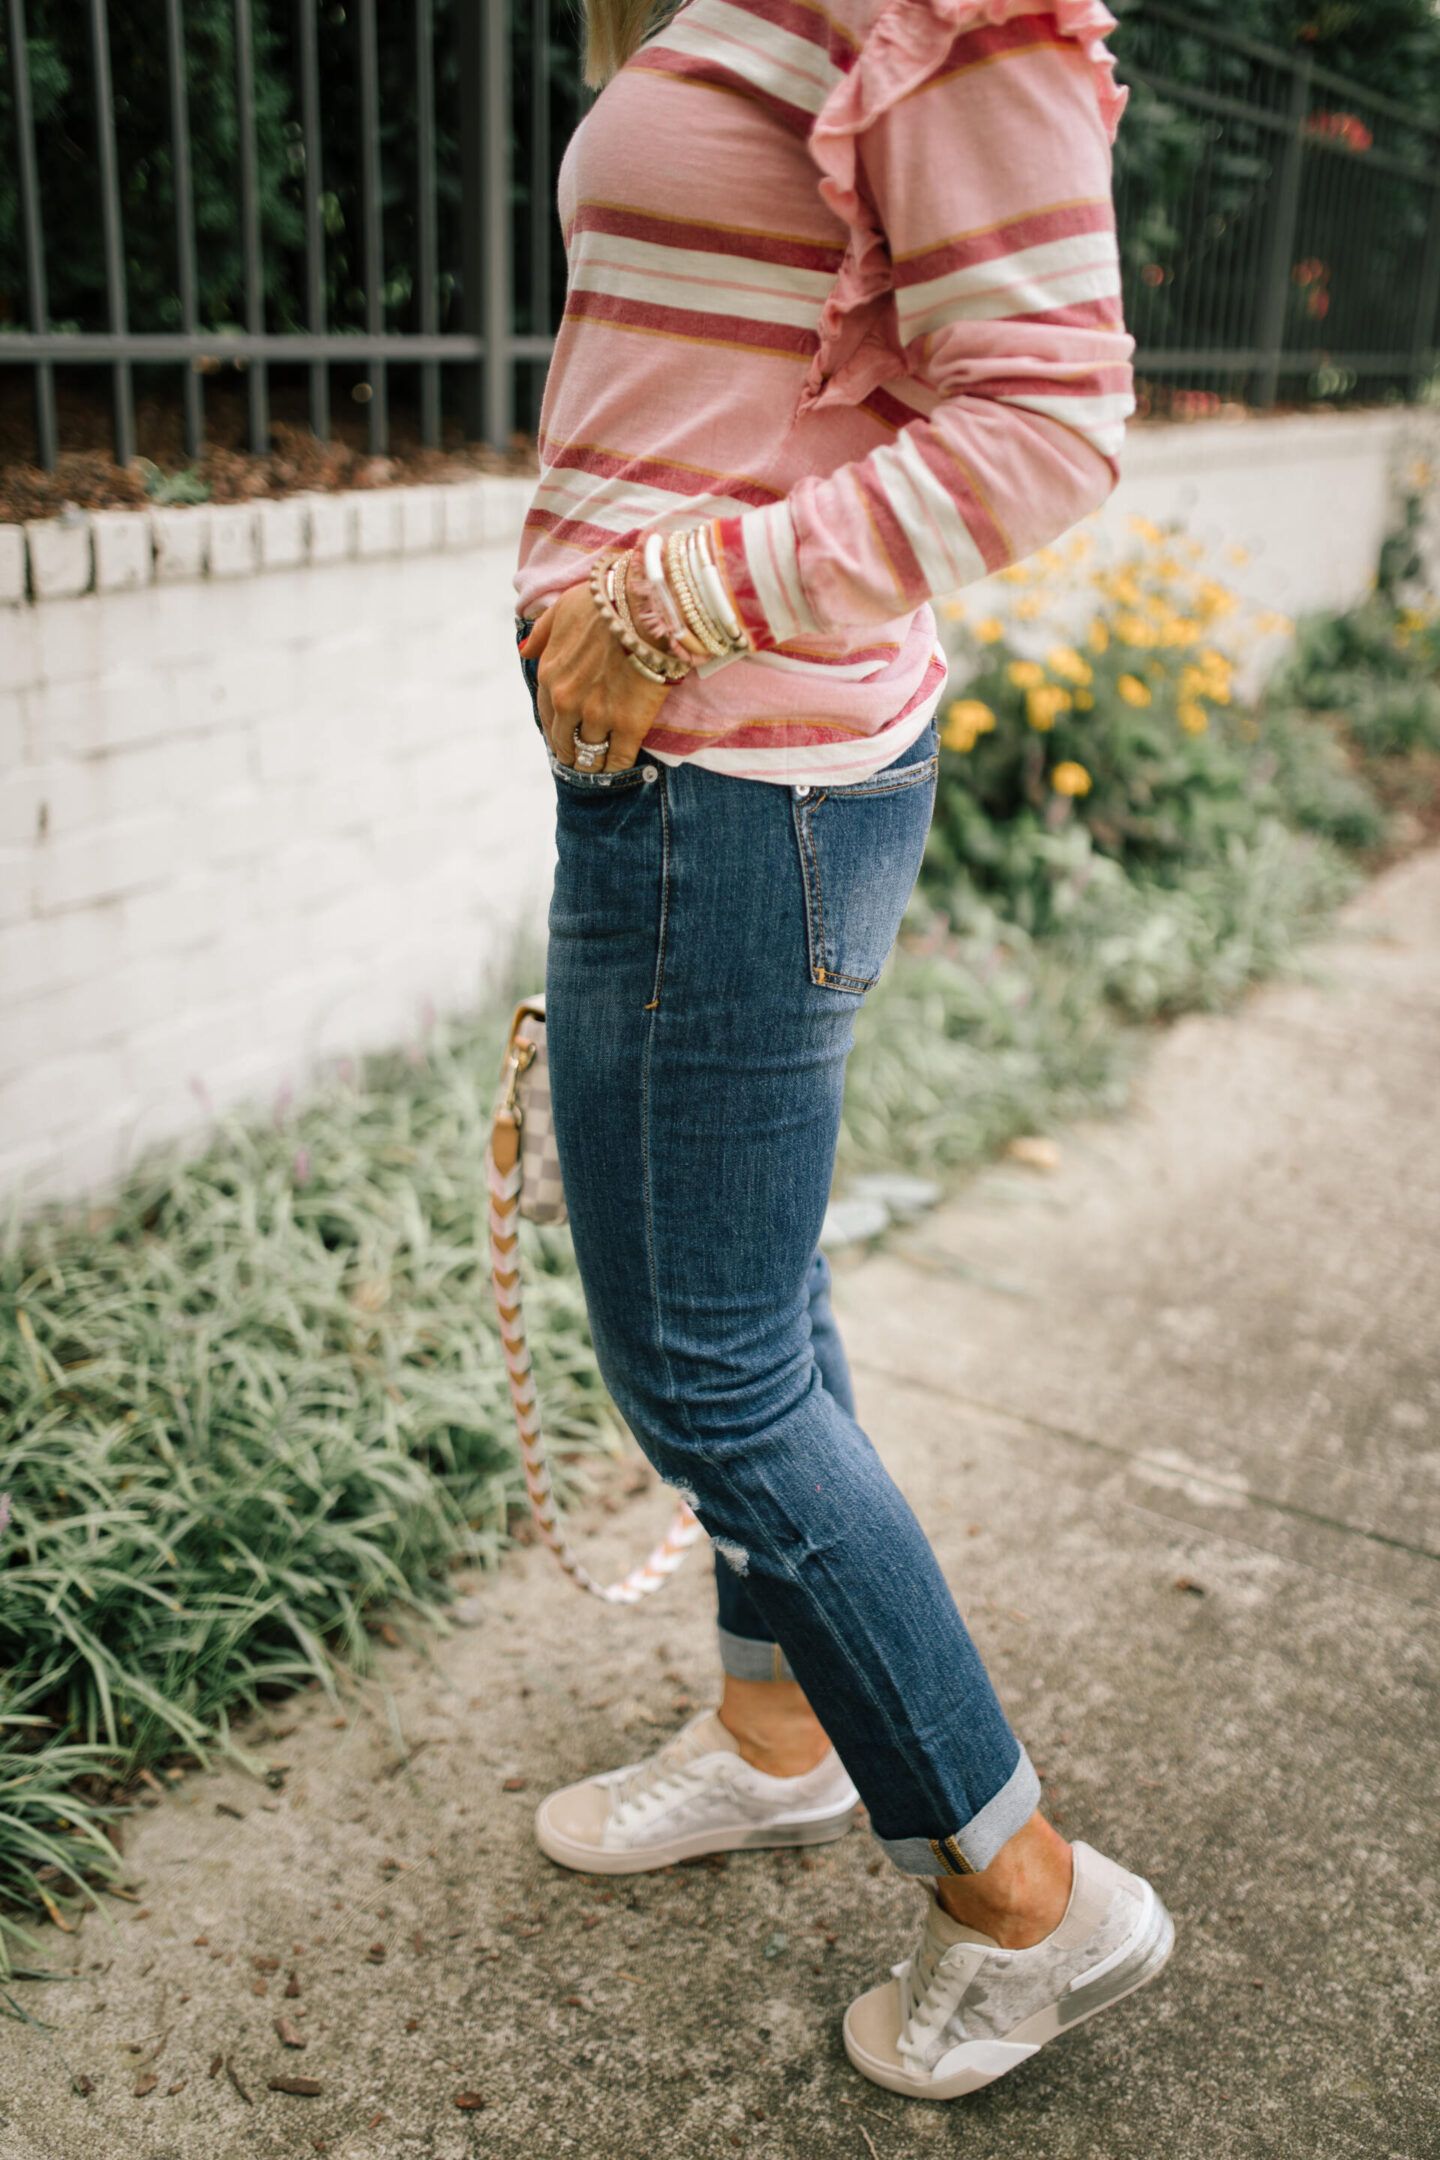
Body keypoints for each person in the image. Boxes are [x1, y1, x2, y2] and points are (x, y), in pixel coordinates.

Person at [513, 0, 1171, 2102]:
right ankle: (778, 1735)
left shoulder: (947, 13)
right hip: (684, 774)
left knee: (708, 1371)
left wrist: (676, 600)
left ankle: (1026, 1897)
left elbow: (1051, 418)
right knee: (762, 1320)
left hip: (739, 779)